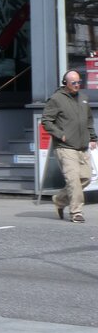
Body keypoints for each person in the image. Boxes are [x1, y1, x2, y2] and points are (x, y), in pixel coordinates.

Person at [41, 69, 97, 223]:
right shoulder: (56, 99)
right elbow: (46, 121)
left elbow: (88, 120)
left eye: (79, 82)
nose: (77, 85)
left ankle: (59, 200)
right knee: (73, 180)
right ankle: (76, 212)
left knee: (86, 178)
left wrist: (93, 137)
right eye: (74, 83)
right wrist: (60, 134)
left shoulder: (83, 98)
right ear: (65, 83)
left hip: (82, 146)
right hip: (65, 147)